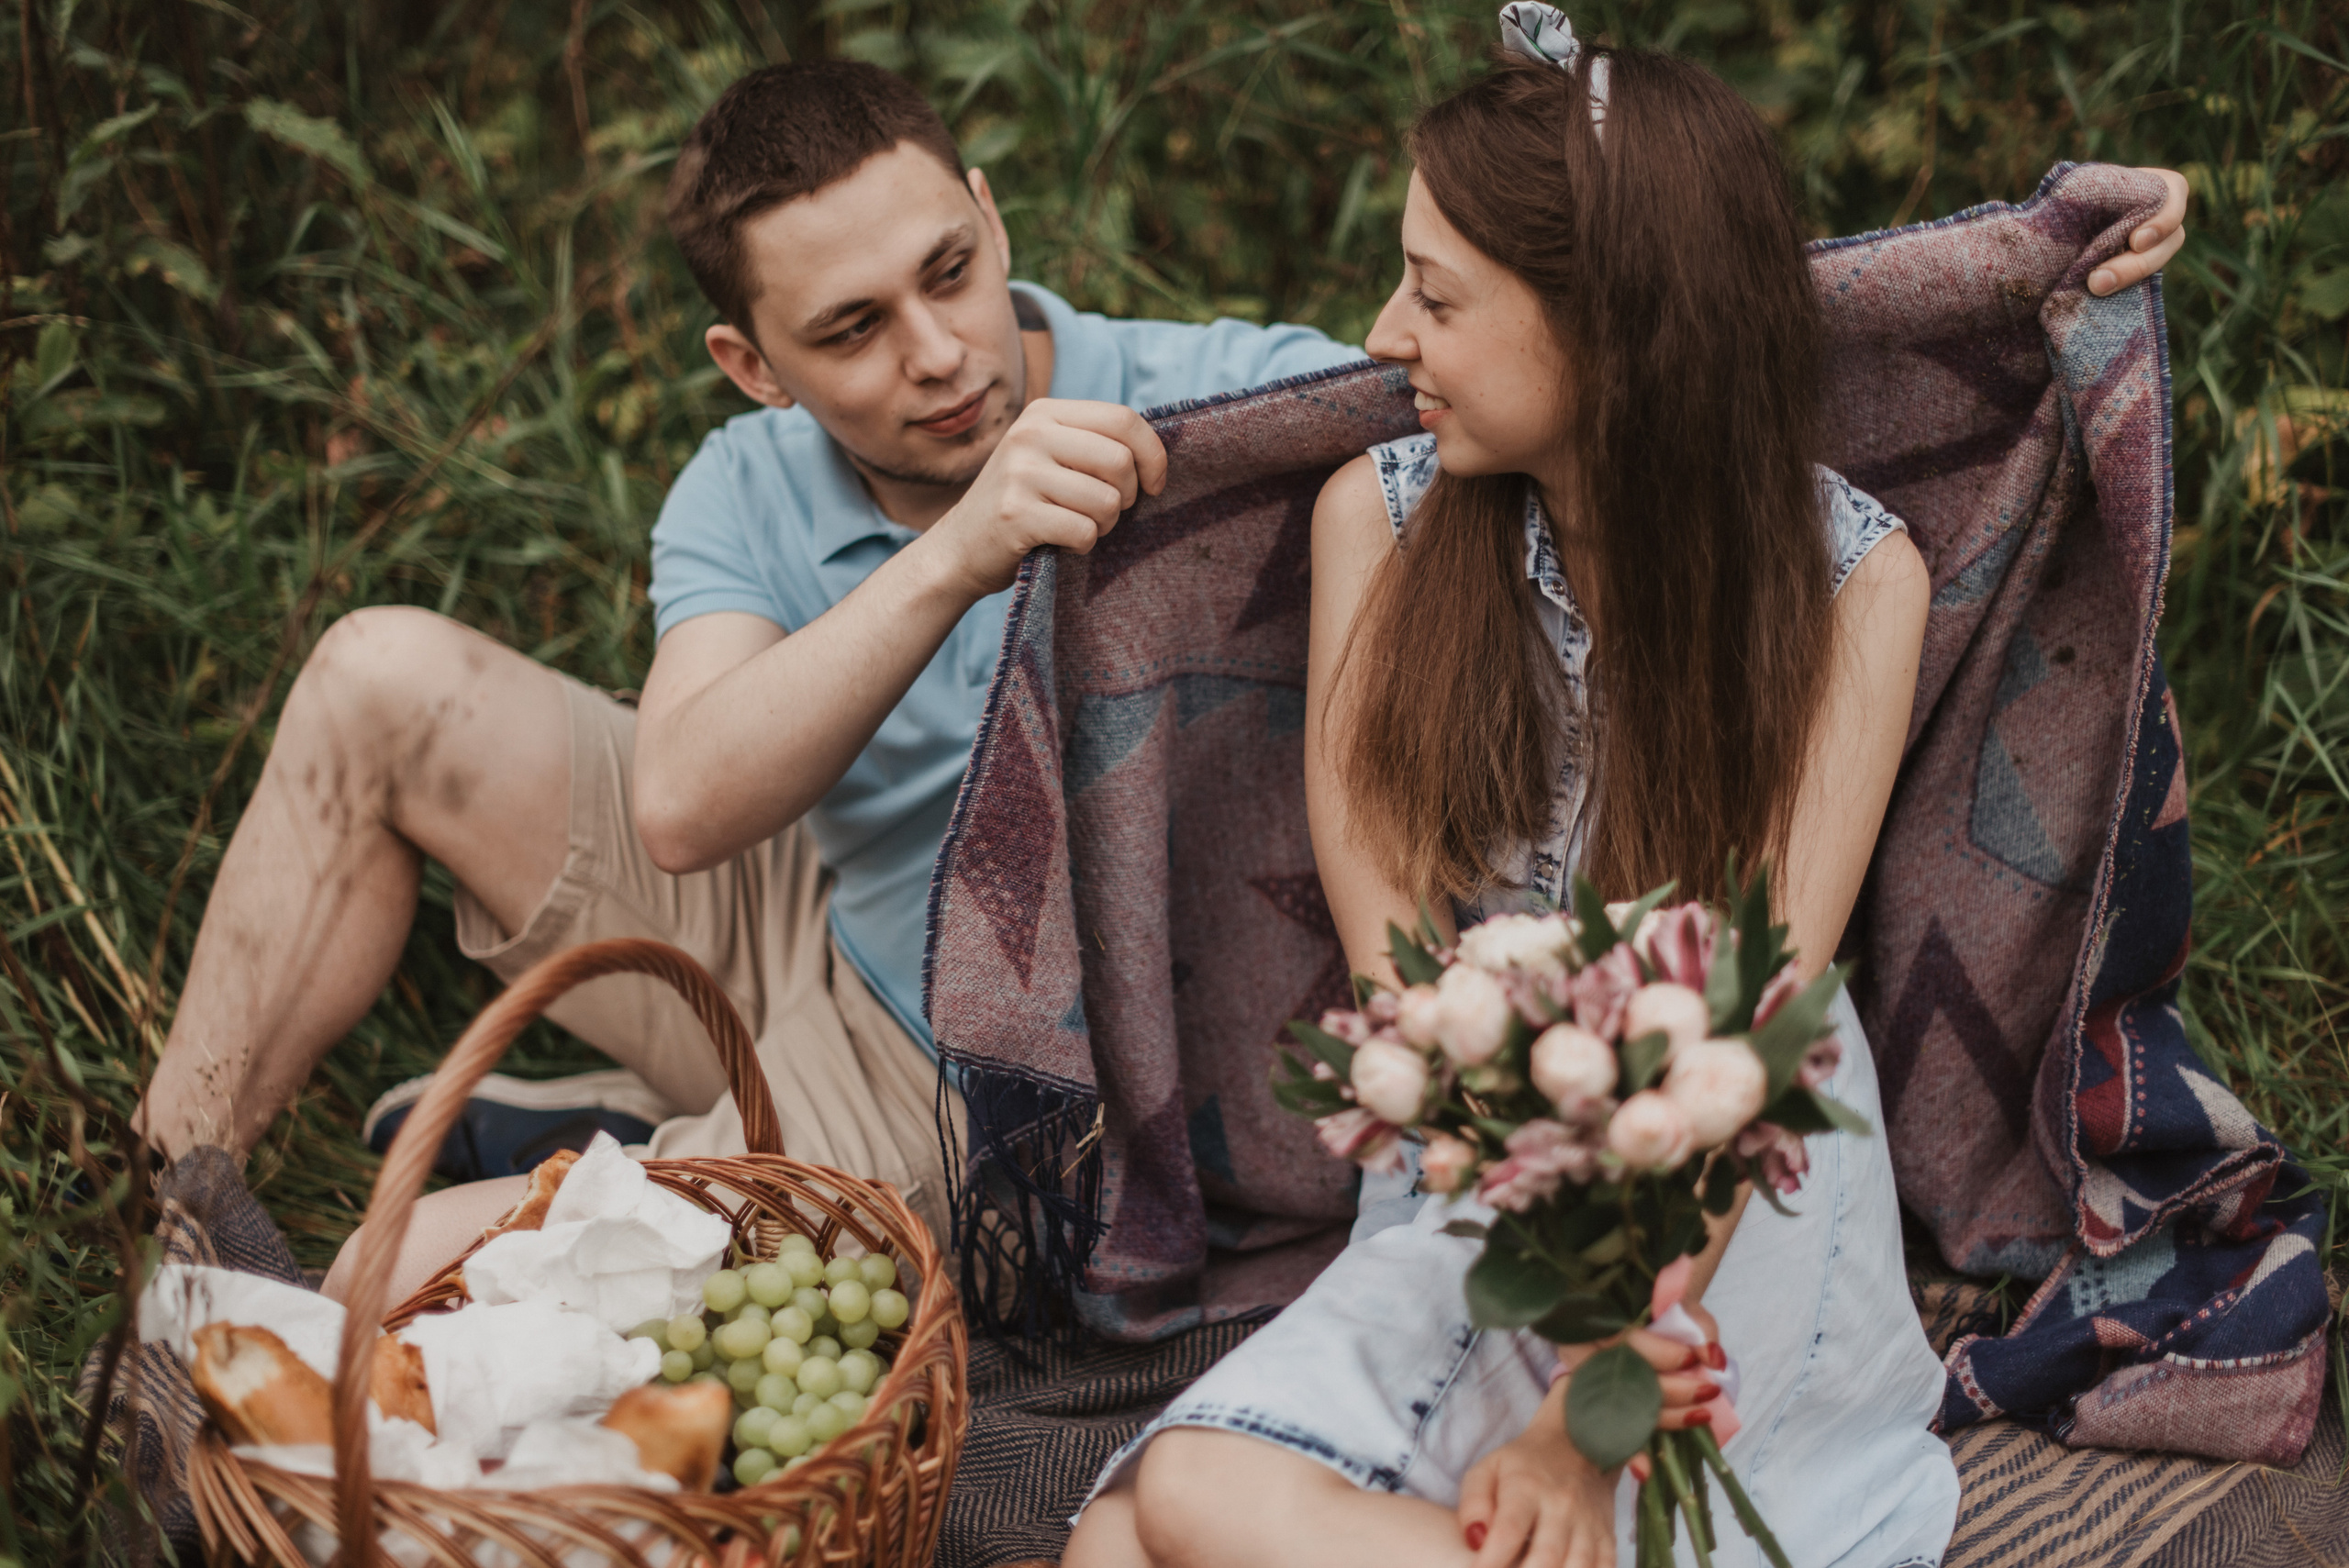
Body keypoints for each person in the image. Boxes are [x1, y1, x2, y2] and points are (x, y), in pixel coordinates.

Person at [131, 48, 2186, 1313]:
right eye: (851, 331)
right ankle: (178, 1193)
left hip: (947, 1038)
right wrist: (962, 541)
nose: (935, 355)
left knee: (526, 1280)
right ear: (754, 367)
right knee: (377, 671)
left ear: (990, 214)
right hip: (754, 897)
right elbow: (679, 803)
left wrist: (2017, 270)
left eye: (950, 275)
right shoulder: (742, 480)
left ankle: (566, 1152)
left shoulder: (1202, 394)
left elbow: (1572, 330)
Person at [1059, 9, 2054, 1567]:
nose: (1385, 336)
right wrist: (1523, 1218)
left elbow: (1754, 1026)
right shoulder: (1375, 525)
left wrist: (1591, 1415)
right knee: (1117, 1544)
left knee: (1183, 1507)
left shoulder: (1855, 585)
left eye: (1437, 295)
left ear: (1611, 328)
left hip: (1738, 1174)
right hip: (1479, 1145)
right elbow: (1403, 975)